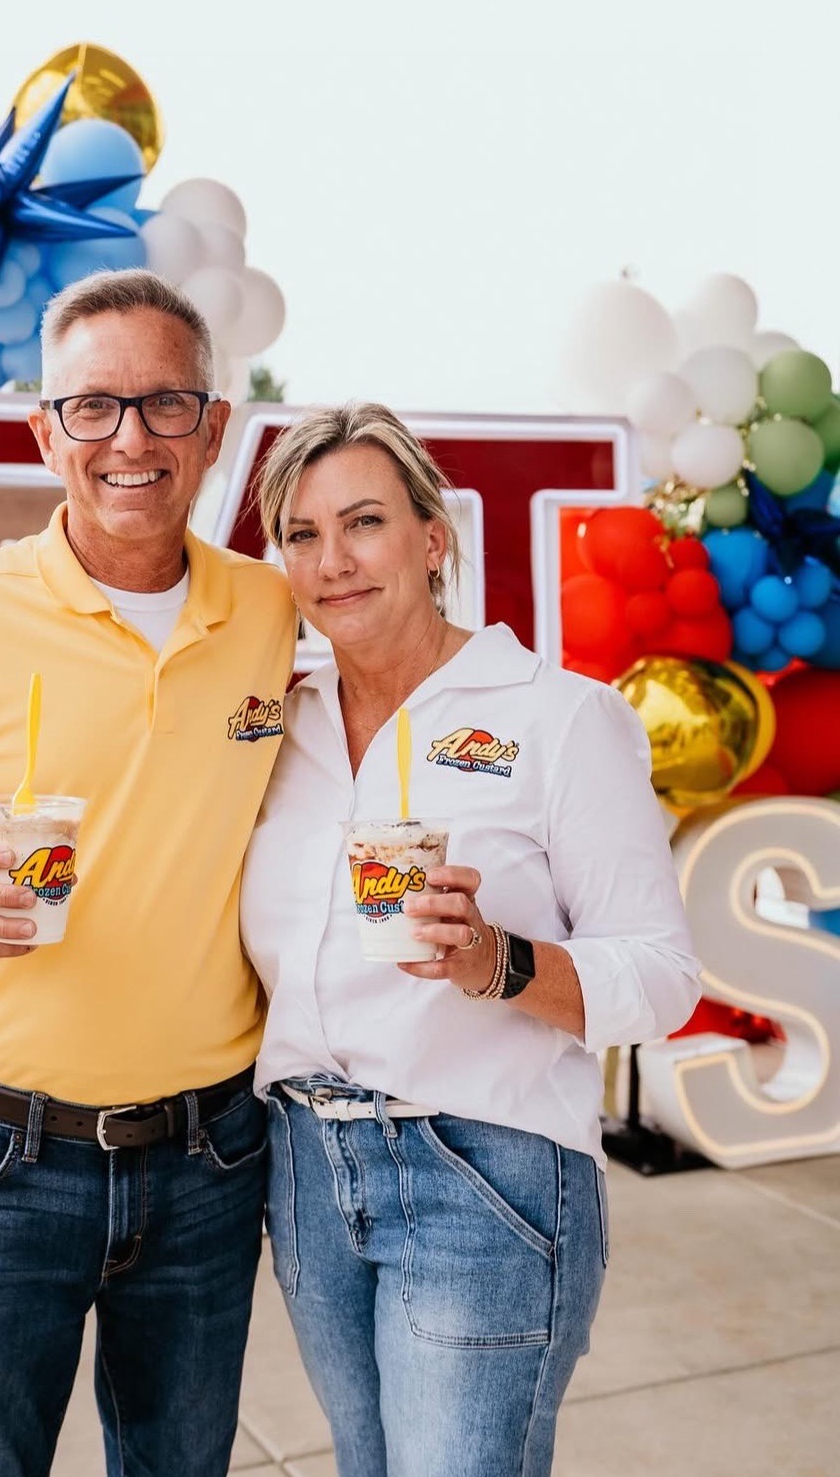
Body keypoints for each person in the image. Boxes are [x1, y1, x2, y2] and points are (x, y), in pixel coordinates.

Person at [0, 268, 297, 1477]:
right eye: (94, 407)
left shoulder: (271, 613)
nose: (130, 438)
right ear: (45, 429)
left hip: (210, 1156)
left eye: (166, 404)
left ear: (215, 427)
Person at [241, 402, 701, 1477]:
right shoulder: (275, 726)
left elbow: (665, 975)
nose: (333, 561)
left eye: (363, 522)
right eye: (301, 535)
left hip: (482, 1170)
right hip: (305, 1165)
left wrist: (501, 961)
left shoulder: (556, 717)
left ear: (432, 537)